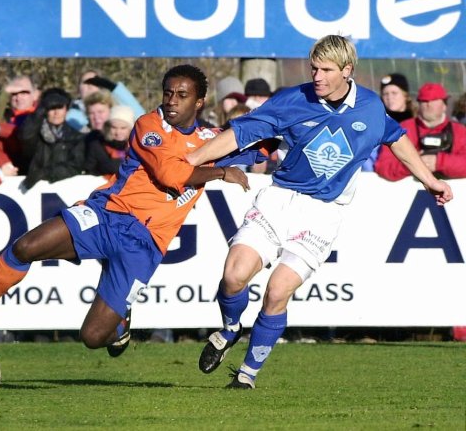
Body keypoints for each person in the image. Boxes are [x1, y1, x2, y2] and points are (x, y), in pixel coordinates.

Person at [185, 35, 453, 389]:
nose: (317, 76)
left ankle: (247, 375)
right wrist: (191, 160)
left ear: (347, 70)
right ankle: (230, 329)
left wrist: (429, 180)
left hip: (323, 212)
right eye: (314, 67)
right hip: (280, 198)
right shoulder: (292, 100)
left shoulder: (370, 108)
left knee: (277, 291)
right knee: (234, 275)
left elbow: (396, 137)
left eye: (326, 69)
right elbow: (241, 132)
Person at [0, 64, 260, 358]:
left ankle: (119, 322)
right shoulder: (150, 125)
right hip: (108, 214)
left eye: (182, 95)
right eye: (168, 93)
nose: (172, 101)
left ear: (199, 102)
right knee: (25, 246)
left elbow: (259, 142)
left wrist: (279, 138)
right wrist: (220, 173)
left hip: (145, 244)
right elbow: (171, 175)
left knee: (93, 337)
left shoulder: (212, 140)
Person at [374, 82, 466, 180]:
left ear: (444, 105)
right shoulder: (404, 128)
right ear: (418, 104)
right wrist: (415, 163)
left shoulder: (459, 131)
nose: (428, 105)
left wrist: (439, 162)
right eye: (424, 101)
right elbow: (383, 167)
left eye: (434, 100)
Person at [20, 87, 86, 191]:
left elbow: (75, 167)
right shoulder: (36, 134)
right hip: (33, 193)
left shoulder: (76, 137)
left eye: (59, 107)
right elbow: (25, 136)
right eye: (51, 108)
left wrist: (45, 173)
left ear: (66, 110)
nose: (56, 113)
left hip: (66, 192)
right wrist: (39, 109)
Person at [362, 72, 416, 171]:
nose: (390, 97)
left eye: (394, 93)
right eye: (385, 94)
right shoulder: (377, 123)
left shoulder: (417, 122)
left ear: (406, 95)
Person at [66, 69, 145, 132]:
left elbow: (141, 118)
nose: (89, 85)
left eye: (94, 82)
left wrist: (113, 88)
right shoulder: (69, 116)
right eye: (85, 82)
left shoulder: (114, 109)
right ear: (79, 88)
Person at [84, 104, 135, 178]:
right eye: (114, 127)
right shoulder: (97, 145)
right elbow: (89, 170)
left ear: (131, 129)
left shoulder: (137, 147)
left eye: (123, 128)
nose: (118, 132)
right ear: (108, 127)